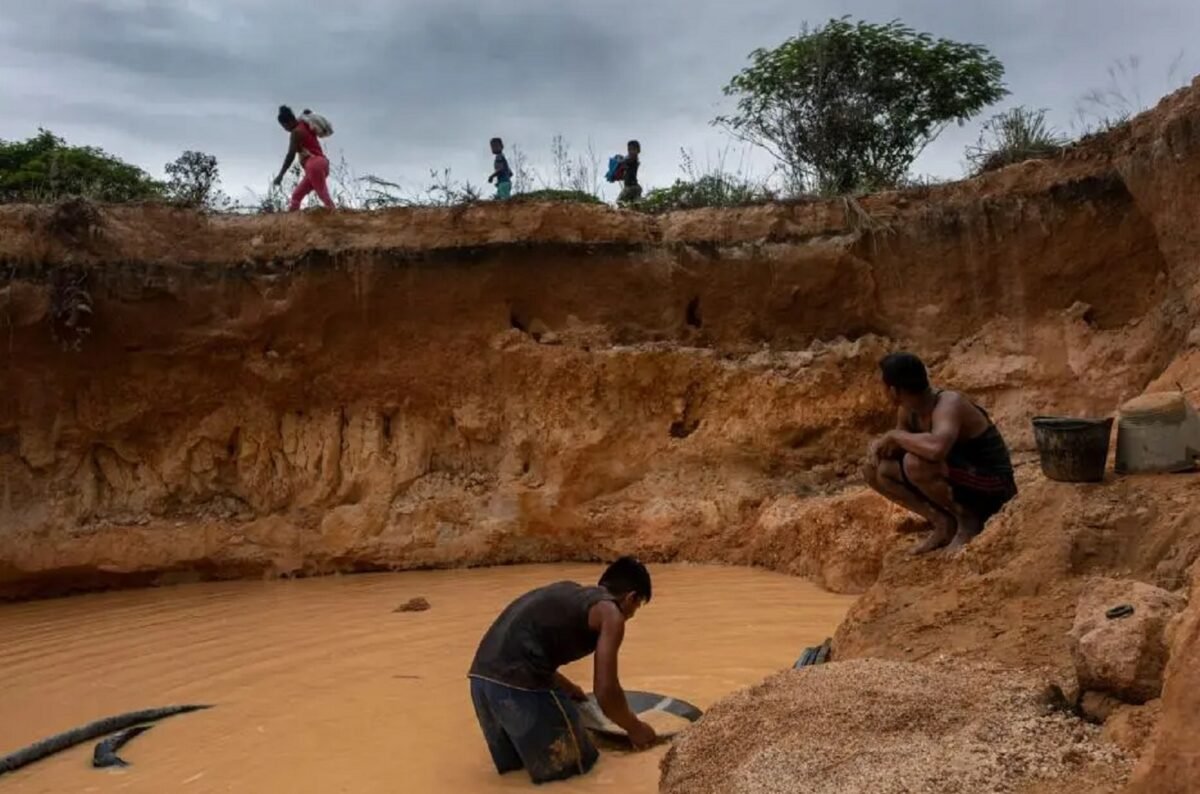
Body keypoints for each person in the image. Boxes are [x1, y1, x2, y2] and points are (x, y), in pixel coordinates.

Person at [468, 557, 658, 784]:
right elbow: (605, 691)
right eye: (636, 608)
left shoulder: (570, 592)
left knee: (515, 777)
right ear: (631, 597)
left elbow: (523, 646)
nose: (631, 615)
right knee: (578, 775)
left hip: (481, 682)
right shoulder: (612, 614)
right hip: (520, 687)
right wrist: (635, 728)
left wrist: (568, 687)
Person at [863, 352, 1017, 554]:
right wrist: (879, 448)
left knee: (915, 463)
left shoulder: (948, 403)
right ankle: (943, 523)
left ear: (893, 390)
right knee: (876, 470)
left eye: (883, 386)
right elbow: (897, 449)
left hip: (994, 485)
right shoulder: (908, 410)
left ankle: (968, 521)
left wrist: (895, 436)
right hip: (961, 480)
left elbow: (936, 449)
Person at [273, 105, 334, 212]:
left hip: (314, 165)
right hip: (322, 164)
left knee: (323, 194)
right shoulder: (304, 123)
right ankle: (291, 221)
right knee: (297, 195)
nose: (285, 129)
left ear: (288, 123)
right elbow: (307, 112)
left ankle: (336, 217)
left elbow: (290, 155)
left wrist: (280, 175)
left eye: (284, 126)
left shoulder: (295, 132)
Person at [617, 140, 642, 206]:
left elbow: (624, 161)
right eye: (629, 150)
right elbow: (625, 171)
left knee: (619, 201)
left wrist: (619, 160)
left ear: (638, 151)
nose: (631, 152)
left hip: (630, 187)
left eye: (633, 149)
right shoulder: (631, 161)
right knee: (635, 203)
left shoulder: (633, 159)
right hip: (635, 187)